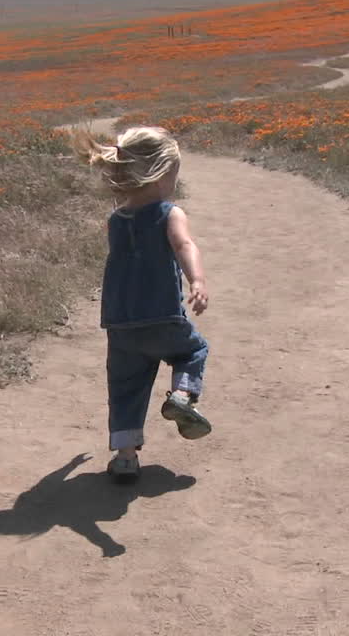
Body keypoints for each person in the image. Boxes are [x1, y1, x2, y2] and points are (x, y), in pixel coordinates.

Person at [74, 126, 212, 484]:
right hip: (162, 315)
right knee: (192, 351)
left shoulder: (116, 220)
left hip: (120, 323)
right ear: (160, 173)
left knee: (125, 387)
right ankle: (182, 396)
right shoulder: (169, 213)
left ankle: (125, 458)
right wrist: (197, 280)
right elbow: (184, 246)